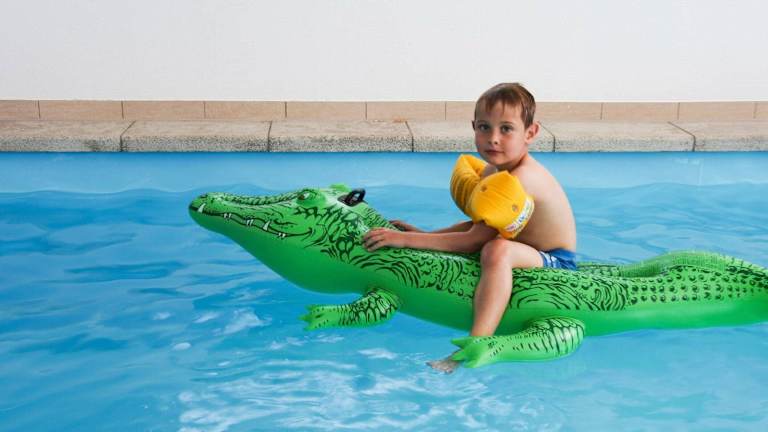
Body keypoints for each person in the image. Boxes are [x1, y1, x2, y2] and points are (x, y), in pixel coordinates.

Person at [362, 82, 577, 373]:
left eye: (506, 129)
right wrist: (423, 236)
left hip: (556, 261)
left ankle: (477, 342)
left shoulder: (523, 179)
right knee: (491, 239)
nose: (493, 138)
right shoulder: (493, 171)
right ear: (473, 127)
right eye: (484, 127)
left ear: (530, 133)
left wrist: (403, 240)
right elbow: (476, 226)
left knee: (497, 250)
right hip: (525, 249)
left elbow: (473, 241)